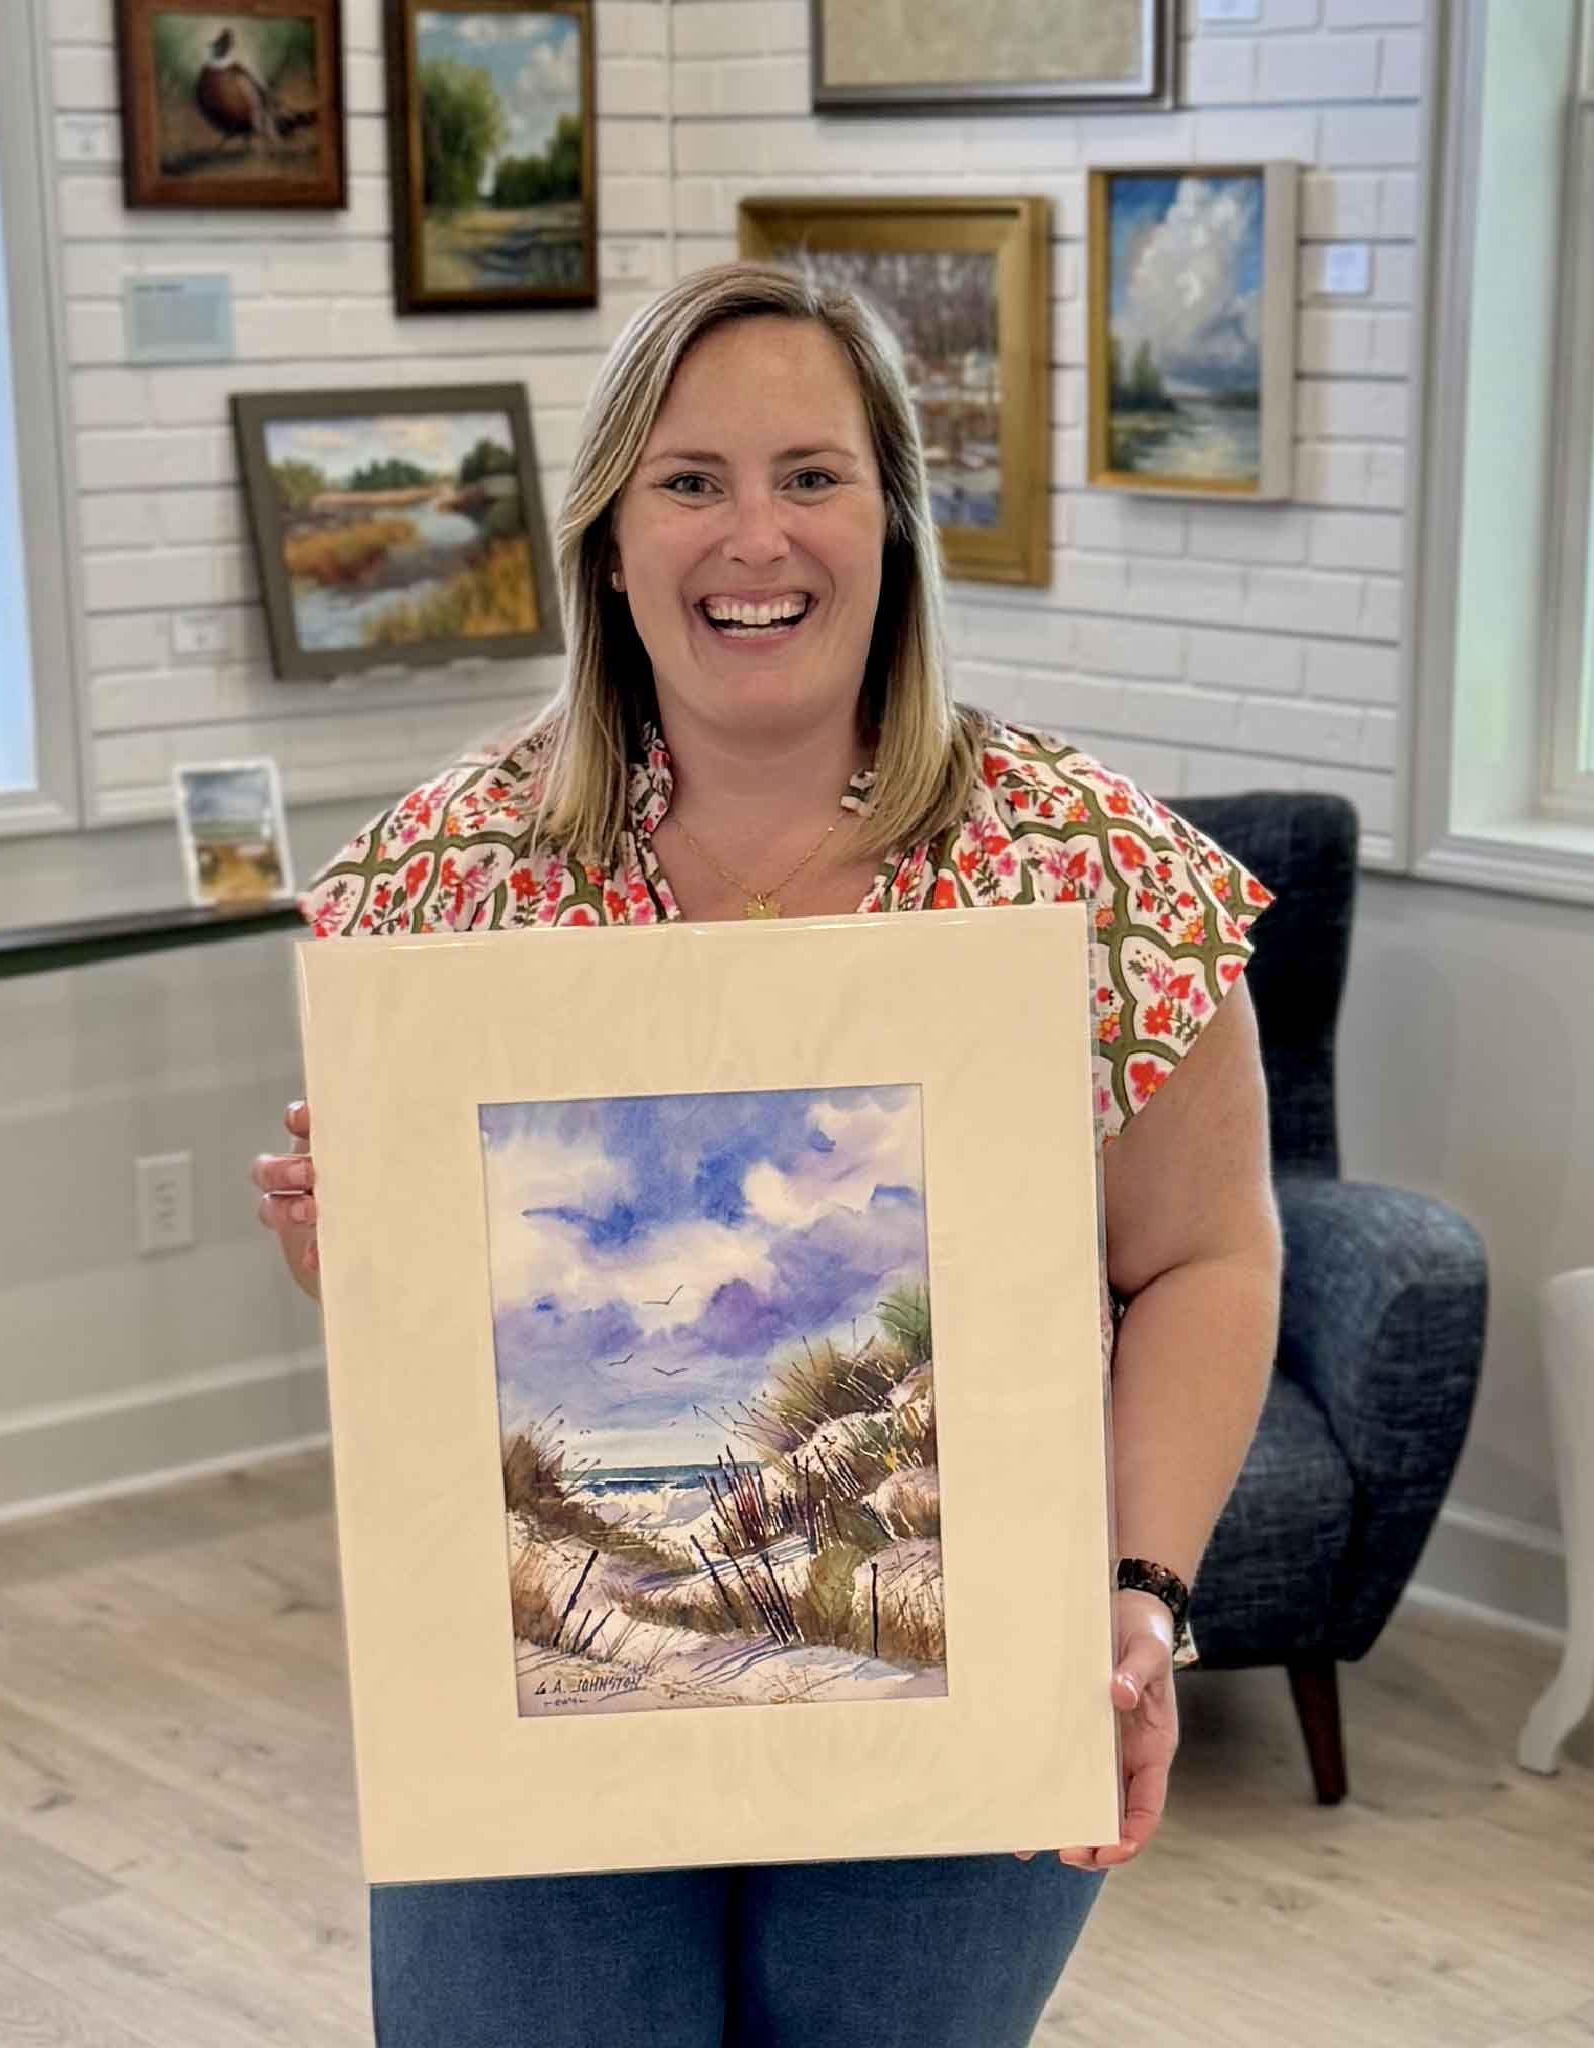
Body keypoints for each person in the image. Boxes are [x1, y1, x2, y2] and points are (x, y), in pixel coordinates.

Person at [253, 261, 1282, 2048]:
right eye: (690, 481)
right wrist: (355, 1256)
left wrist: (1138, 1596)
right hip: (522, 1717)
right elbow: (435, 1337)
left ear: (892, 520)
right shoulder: (442, 875)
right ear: (609, 537)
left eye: (813, 476)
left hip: (976, 1681)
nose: (757, 538)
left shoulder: (1094, 866)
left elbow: (1207, 1254)